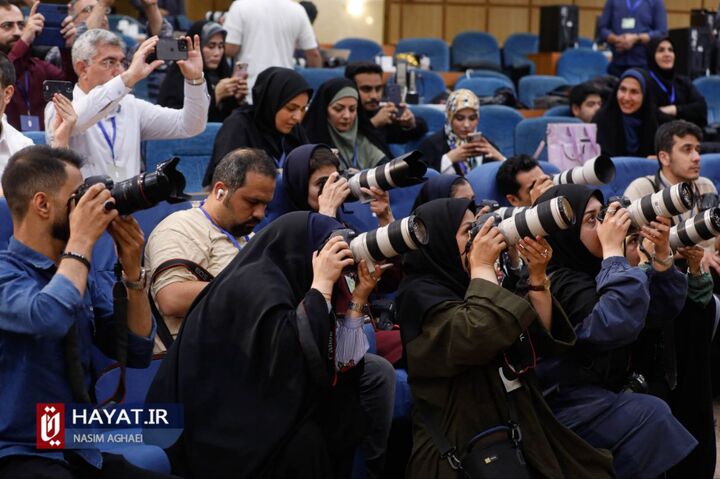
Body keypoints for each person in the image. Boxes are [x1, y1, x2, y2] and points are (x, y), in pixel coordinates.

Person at [395, 198, 616, 478]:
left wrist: (536, 278)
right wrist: (483, 267)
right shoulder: (419, 296)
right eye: (467, 231)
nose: (476, 239)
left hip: (514, 426)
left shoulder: (469, 282)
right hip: (461, 447)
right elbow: (478, 334)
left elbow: (534, 340)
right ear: (439, 240)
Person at [147, 211, 374, 478]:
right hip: (216, 427)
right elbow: (292, 359)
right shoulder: (253, 287)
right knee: (307, 443)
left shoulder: (290, 284)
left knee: (344, 416)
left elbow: (342, 365)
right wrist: (321, 283)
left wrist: (358, 300)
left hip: (262, 406)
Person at [0, 146, 171, 479]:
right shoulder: (6, 273)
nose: (87, 207)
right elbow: (47, 316)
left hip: (77, 446)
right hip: (18, 451)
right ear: (42, 204)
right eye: (76, 197)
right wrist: (80, 241)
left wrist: (133, 274)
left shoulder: (78, 272)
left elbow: (135, 351)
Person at [535, 183, 696, 478]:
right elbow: (614, 324)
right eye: (590, 220)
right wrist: (612, 252)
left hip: (601, 394)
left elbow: (656, 312)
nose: (603, 225)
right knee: (652, 415)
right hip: (566, 405)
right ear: (564, 234)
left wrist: (661, 256)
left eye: (602, 215)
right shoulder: (559, 282)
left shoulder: (593, 270)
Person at [145, 148, 276, 351]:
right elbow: (171, 298)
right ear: (220, 190)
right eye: (252, 202)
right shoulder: (181, 227)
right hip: (193, 361)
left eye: (265, 205)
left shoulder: (247, 236)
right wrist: (252, 290)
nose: (260, 214)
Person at [44, 29, 209, 180]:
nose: (120, 70)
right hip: (85, 207)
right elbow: (76, 119)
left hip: (130, 207)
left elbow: (190, 125)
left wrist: (194, 80)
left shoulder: (131, 105)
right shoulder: (59, 106)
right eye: (109, 62)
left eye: (121, 62)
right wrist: (130, 77)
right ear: (82, 68)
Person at [624, 120, 719, 270]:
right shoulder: (642, 189)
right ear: (664, 157)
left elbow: (715, 243)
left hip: (708, 271)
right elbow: (634, 251)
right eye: (687, 150)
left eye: (697, 149)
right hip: (665, 273)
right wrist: (697, 254)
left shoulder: (705, 185)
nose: (697, 157)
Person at [204, 66, 311, 186]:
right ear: (272, 101)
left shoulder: (295, 131)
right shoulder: (239, 125)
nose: (297, 117)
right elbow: (225, 179)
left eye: (303, 109)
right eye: (291, 108)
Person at [1, 0, 76, 132]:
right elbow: (5, 75)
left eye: (21, 25)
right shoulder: (11, 65)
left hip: (41, 149)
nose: (18, 32)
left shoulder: (38, 66)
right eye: (7, 26)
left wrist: (67, 48)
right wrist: (24, 41)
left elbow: (71, 86)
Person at [280, 143, 394, 226]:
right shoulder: (287, 232)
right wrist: (327, 215)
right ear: (299, 188)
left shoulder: (344, 221)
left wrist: (385, 218)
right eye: (322, 183)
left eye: (334, 180)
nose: (332, 188)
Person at [222, 0, 321, 95]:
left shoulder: (240, 6)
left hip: (249, 87)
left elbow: (230, 50)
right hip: (284, 87)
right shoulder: (298, 10)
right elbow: (313, 54)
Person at [158, 21, 247, 122]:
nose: (217, 53)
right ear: (197, 47)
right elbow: (183, 122)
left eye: (221, 46)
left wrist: (236, 100)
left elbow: (226, 121)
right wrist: (216, 95)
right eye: (211, 46)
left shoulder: (221, 74)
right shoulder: (179, 77)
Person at [303, 78, 392, 171]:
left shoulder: (364, 140)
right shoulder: (309, 144)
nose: (347, 116)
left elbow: (388, 171)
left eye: (352, 109)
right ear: (324, 110)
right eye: (338, 109)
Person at [418, 89, 505, 175]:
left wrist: (500, 158)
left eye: (472, 118)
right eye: (460, 118)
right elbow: (420, 176)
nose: (467, 125)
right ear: (449, 118)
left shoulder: (485, 145)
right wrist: (448, 159)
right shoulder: (432, 144)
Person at [344, 62, 428, 148]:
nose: (374, 96)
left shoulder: (381, 115)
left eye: (378, 89)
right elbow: (347, 144)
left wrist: (409, 123)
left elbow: (418, 129)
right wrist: (374, 123)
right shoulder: (341, 116)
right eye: (366, 89)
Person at [594, 68, 658, 157]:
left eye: (634, 92)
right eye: (623, 89)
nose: (626, 98)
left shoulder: (657, 122)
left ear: (645, 96)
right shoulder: (602, 120)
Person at [645, 36, 707, 128]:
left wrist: (675, 110)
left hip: (685, 136)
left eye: (670, 50)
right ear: (651, 55)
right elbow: (650, 114)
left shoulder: (682, 82)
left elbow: (701, 108)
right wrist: (685, 117)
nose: (667, 54)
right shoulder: (645, 82)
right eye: (661, 50)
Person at [598, 0, 668, 77]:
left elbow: (662, 33)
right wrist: (617, 39)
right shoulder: (613, 1)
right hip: (617, 63)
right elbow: (602, 30)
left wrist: (636, 39)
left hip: (644, 64)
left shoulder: (656, 2)